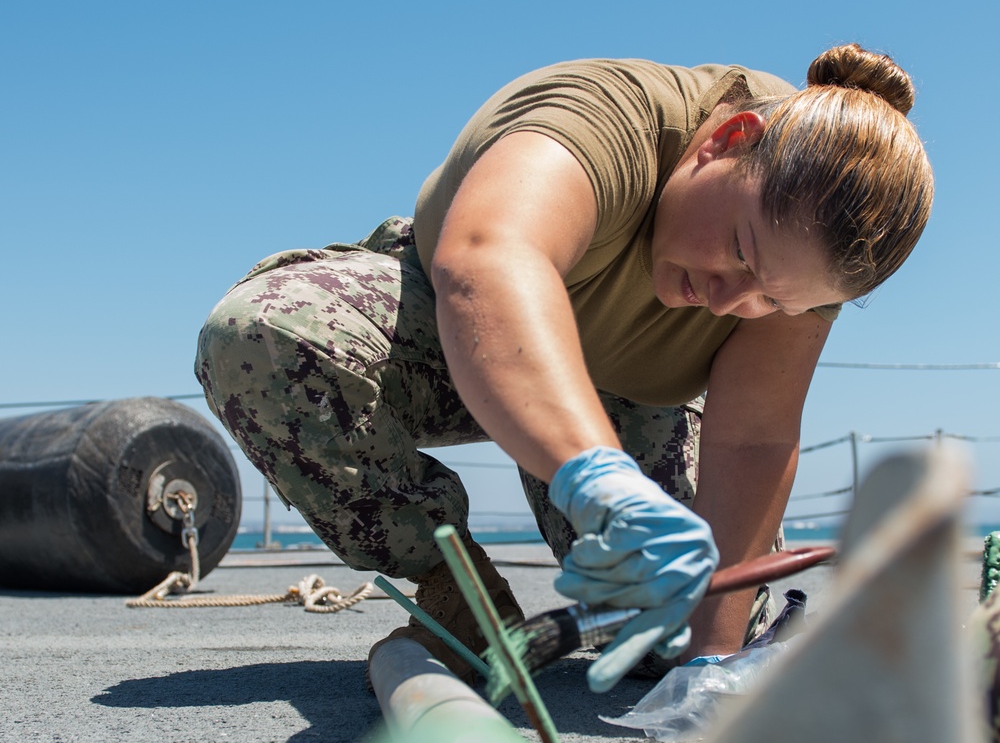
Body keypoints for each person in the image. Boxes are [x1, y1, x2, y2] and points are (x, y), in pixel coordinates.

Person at [195, 44, 933, 692]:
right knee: (261, 337)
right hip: (450, 327)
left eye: (770, 298)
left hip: (629, 401)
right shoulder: (611, 117)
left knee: (671, 625)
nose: (728, 299)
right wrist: (600, 481)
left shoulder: (803, 244)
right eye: (740, 251)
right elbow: (489, 260)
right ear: (729, 141)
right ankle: (461, 595)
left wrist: (708, 661)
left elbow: (754, 437)